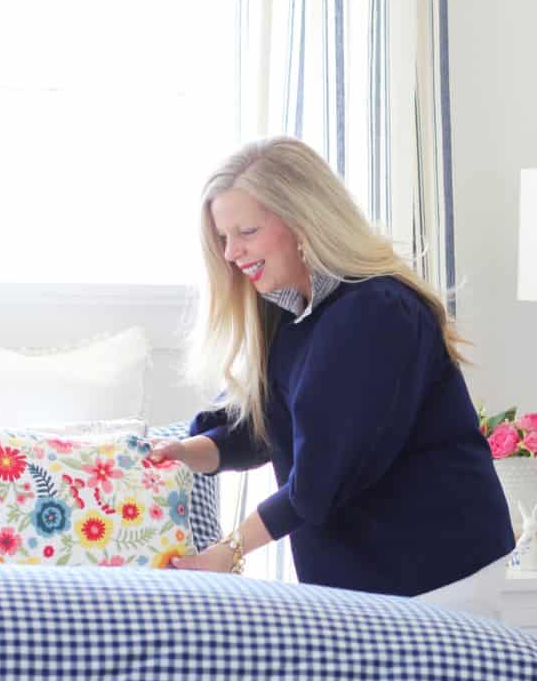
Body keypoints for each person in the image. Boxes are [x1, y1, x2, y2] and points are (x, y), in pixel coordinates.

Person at [149, 136, 515, 615]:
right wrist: (188, 453)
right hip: (365, 573)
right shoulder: (291, 315)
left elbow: (322, 474)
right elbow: (266, 425)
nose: (232, 253)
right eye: (223, 238)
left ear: (302, 219)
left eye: (247, 232)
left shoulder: (372, 312)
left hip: (432, 564)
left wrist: (230, 550)